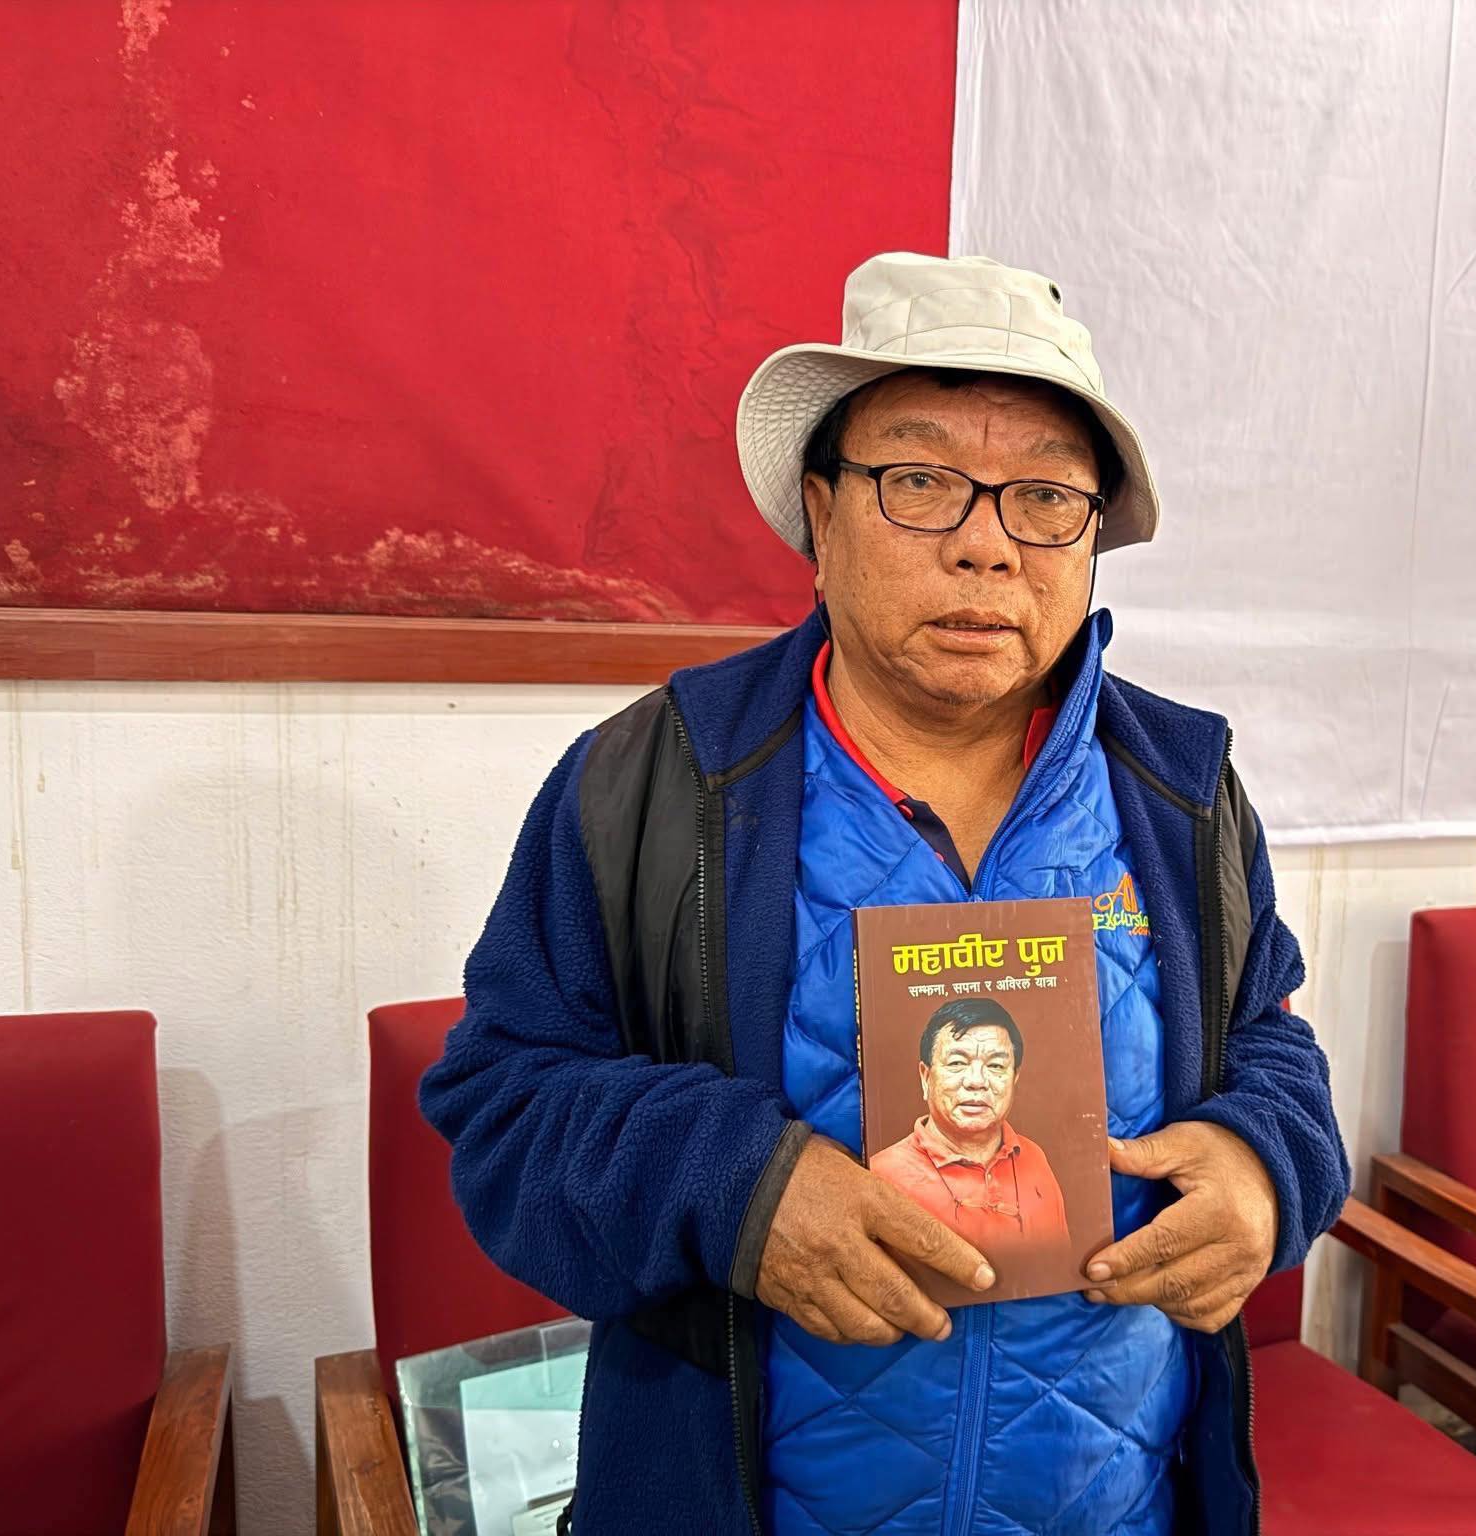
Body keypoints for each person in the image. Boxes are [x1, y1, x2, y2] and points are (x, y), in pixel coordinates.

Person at [421, 251, 1349, 1535]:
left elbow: (1270, 1047)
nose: (984, 545)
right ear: (820, 516)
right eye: (919, 482)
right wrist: (736, 1188)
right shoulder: (655, 784)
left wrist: (1264, 1167)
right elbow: (502, 1107)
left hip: (1113, 1505)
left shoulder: (1180, 789)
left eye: (1043, 498)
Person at [870, 998, 1071, 1257]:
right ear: (926, 1077)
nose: (976, 1081)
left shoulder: (1034, 1157)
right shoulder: (881, 1174)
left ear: (1014, 1078)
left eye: (995, 1066)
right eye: (957, 1063)